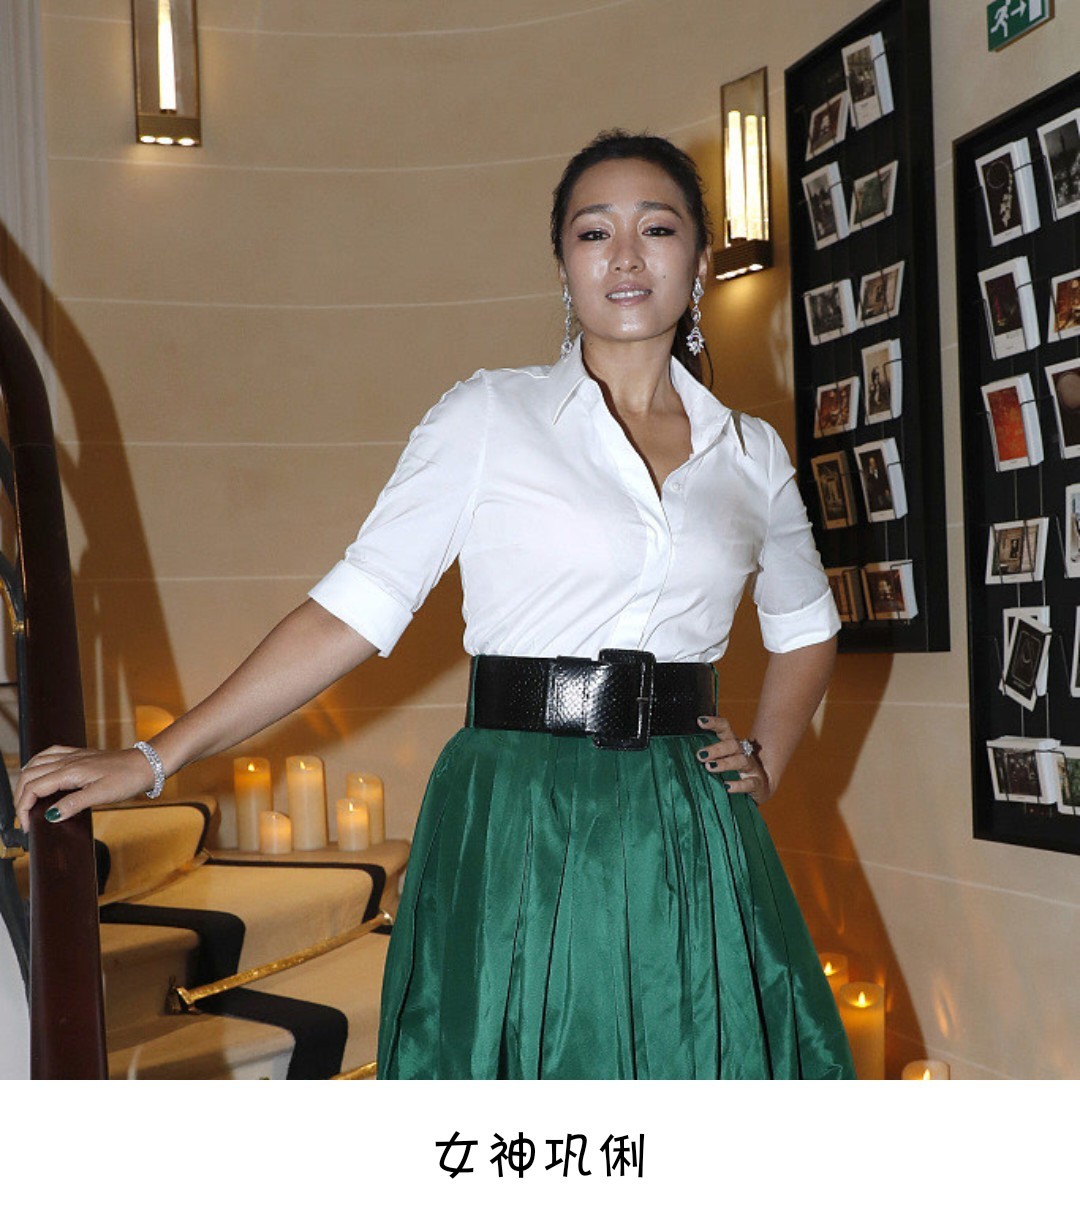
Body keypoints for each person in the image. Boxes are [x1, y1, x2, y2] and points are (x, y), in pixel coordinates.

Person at [15, 130, 855, 1080]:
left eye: (656, 229)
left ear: (699, 262)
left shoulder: (750, 453)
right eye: (594, 233)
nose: (625, 256)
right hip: (517, 808)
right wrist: (152, 757)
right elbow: (349, 612)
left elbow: (807, 629)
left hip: (685, 818)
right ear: (563, 266)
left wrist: (768, 759)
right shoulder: (488, 416)